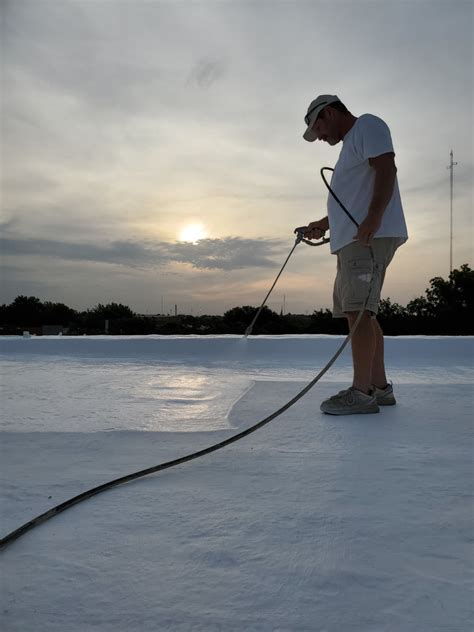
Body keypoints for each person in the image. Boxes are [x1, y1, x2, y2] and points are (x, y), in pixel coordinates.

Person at [301, 94, 408, 415]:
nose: (319, 137)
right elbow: (354, 197)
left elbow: (386, 168)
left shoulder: (367, 126)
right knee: (362, 312)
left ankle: (361, 393)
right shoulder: (352, 145)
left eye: (317, 128)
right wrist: (322, 224)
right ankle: (379, 388)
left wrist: (373, 218)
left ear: (329, 113)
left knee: (358, 311)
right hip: (356, 241)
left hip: (367, 239)